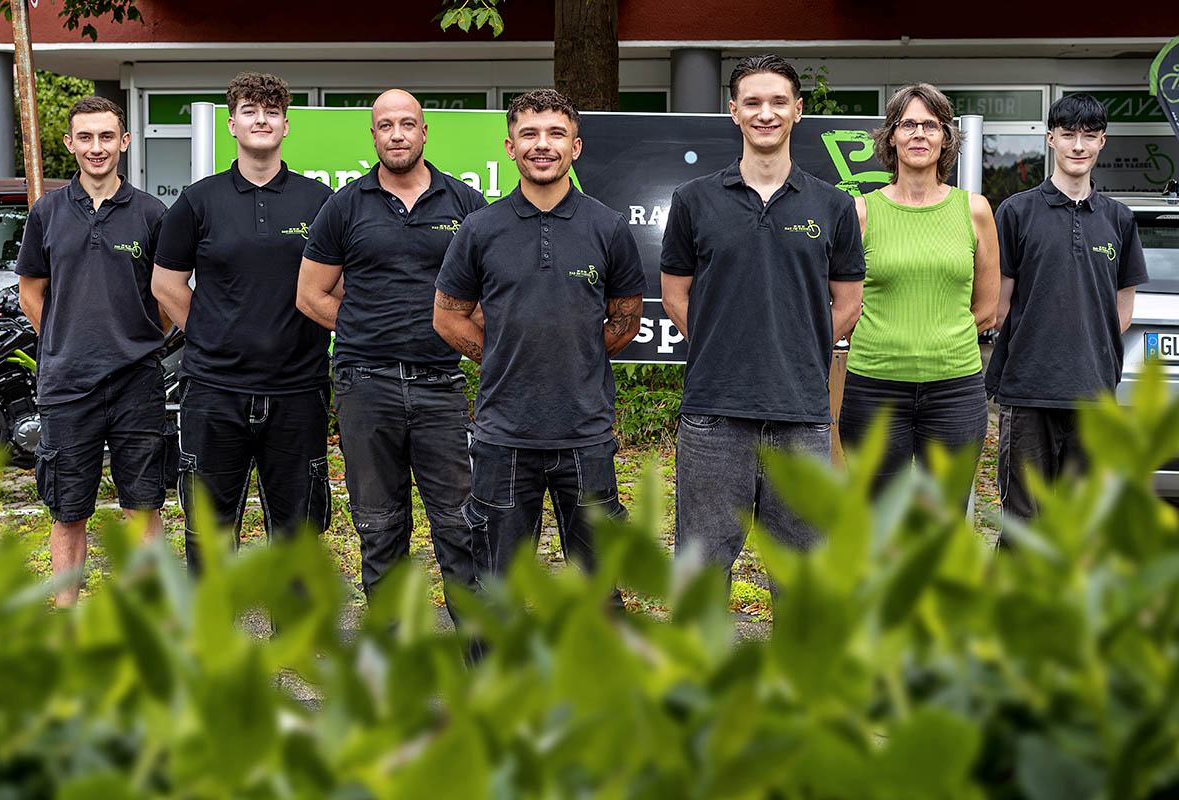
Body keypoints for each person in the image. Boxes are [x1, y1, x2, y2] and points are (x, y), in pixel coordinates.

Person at [659, 55, 865, 580]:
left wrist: (803, 348)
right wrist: (719, 346)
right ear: (734, 112)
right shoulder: (693, 200)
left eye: (778, 102)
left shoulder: (834, 207)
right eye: (753, 102)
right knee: (701, 572)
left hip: (802, 416)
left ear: (798, 111)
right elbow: (675, 294)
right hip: (712, 416)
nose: (765, 113)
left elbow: (848, 303)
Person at [433, 89, 646, 594]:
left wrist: (578, 358)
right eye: (529, 134)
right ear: (510, 147)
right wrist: (504, 357)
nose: (541, 145)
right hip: (503, 438)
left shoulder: (609, 227)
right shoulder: (480, 229)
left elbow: (626, 318)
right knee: (495, 590)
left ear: (576, 146)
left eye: (555, 133)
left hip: (586, 437)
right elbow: (447, 318)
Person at [296, 90, 485, 615]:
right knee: (379, 527)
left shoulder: (466, 205)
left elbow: (492, 292)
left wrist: (471, 342)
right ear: (374, 136)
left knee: (459, 525)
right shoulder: (345, 206)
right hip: (365, 385)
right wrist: (366, 327)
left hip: (441, 387)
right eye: (385, 125)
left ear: (424, 132)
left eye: (407, 124)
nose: (397, 134)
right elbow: (310, 295)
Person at [152, 72, 333, 571]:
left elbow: (337, 286)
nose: (261, 120)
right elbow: (166, 284)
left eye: (271, 112)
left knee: (299, 532)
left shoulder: (320, 202)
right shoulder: (197, 200)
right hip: (213, 391)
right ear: (232, 123)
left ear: (285, 125)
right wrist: (210, 335)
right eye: (250, 111)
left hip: (299, 390)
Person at [16, 96, 168, 607]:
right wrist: (65, 338)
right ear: (70, 144)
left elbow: (165, 297)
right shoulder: (47, 212)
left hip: (137, 382)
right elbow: (31, 291)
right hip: (67, 383)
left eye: (107, 137)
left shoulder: (151, 213)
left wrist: (136, 338)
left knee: (142, 505)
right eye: (86, 137)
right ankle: (69, 620)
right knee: (67, 510)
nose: (96, 147)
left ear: (124, 142)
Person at [986, 93, 1148, 525]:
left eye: (1089, 136)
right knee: (1023, 522)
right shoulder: (1016, 212)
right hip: (1027, 390)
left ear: (1102, 143)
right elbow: (999, 308)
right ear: (1050, 139)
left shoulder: (1119, 220)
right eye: (1069, 135)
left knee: (1082, 528)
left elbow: (1122, 310)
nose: (1079, 145)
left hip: (1093, 393)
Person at [837, 83, 1000, 503]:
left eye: (931, 125)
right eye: (908, 124)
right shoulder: (861, 212)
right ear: (891, 135)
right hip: (874, 388)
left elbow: (986, 309)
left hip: (955, 391)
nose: (919, 134)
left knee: (940, 524)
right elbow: (842, 299)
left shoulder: (975, 210)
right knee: (876, 519)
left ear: (946, 137)